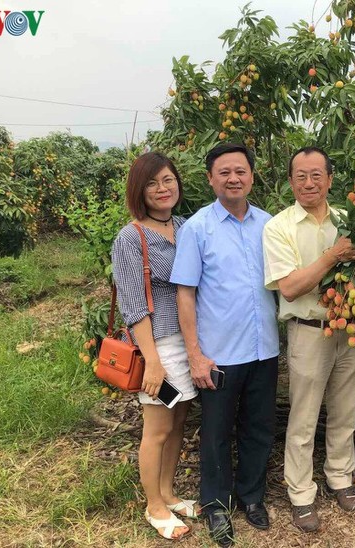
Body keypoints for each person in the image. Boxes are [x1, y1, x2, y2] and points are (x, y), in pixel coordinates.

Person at [170, 144, 279, 547]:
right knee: (215, 431)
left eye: (240, 171)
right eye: (224, 172)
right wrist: (195, 355)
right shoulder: (198, 227)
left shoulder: (269, 224)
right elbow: (185, 293)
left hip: (263, 349)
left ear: (252, 175)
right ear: (210, 178)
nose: (233, 178)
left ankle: (252, 497)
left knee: (259, 427)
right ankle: (216, 505)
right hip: (218, 355)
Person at [262, 146, 355, 532]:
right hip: (307, 332)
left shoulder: (348, 219)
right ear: (290, 181)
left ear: (330, 179)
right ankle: (301, 493)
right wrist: (333, 256)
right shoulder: (279, 227)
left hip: (350, 329)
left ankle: (340, 476)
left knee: (345, 410)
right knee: (303, 418)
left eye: (317, 175)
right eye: (301, 176)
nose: (309, 183)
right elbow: (290, 288)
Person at [111, 152, 199, 541]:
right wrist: (152, 361)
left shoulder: (184, 227)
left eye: (168, 180)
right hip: (159, 345)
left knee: (179, 421)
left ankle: (168, 492)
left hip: (188, 343)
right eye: (152, 183)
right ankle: (154, 505)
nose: (162, 189)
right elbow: (133, 305)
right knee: (158, 426)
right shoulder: (132, 237)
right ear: (139, 191)